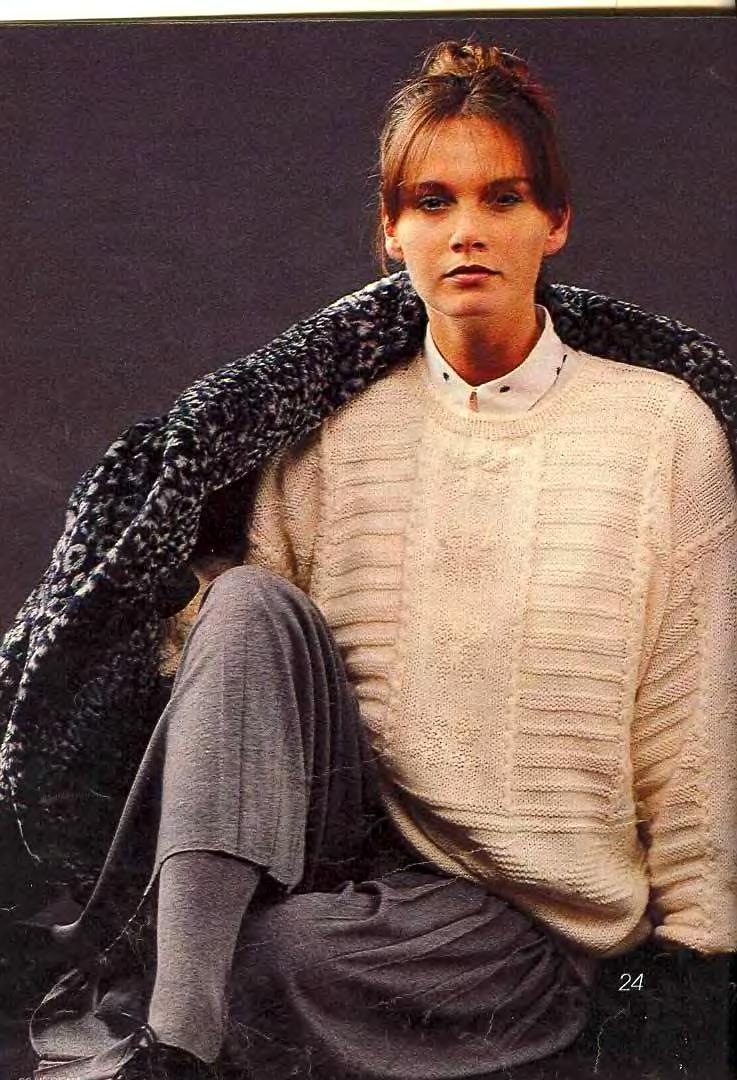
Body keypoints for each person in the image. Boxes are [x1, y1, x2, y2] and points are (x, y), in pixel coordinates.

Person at [22, 39, 737, 1080]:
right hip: (344, 840)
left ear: (554, 222)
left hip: (519, 915)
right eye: (432, 202)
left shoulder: (659, 431)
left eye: (501, 198)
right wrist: (181, 610)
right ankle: (176, 1044)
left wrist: (696, 949)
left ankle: (191, 1000)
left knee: (280, 960)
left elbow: (695, 722)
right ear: (391, 233)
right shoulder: (338, 430)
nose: (466, 232)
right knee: (244, 602)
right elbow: (245, 688)